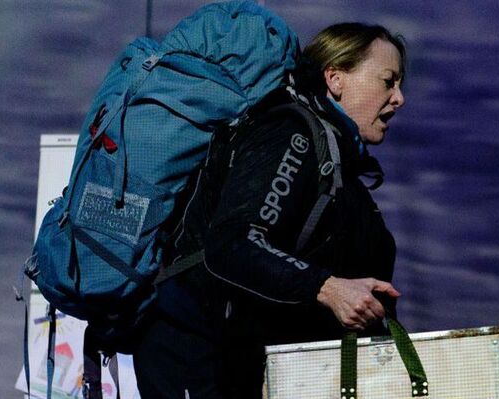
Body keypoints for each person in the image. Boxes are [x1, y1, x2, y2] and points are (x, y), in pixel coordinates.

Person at [133, 22, 407, 398]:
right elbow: (232, 243)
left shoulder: (345, 175)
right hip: (195, 346)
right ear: (336, 79)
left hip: (241, 362)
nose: (399, 98)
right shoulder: (289, 133)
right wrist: (328, 289)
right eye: (388, 81)